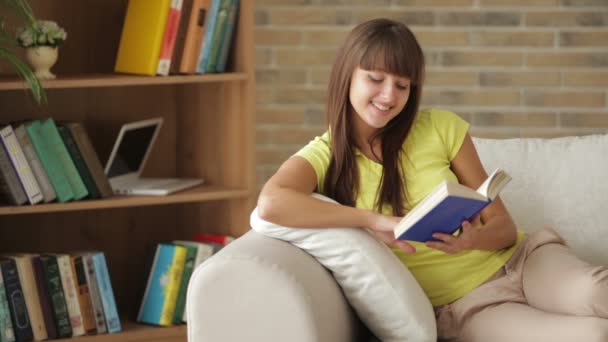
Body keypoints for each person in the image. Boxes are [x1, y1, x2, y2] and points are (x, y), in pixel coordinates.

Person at [256, 18, 608, 341]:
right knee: (592, 335)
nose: (389, 96)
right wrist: (372, 220)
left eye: (402, 85)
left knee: (595, 292)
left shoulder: (440, 127)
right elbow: (271, 203)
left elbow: (502, 226)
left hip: (524, 262)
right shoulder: (325, 155)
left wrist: (473, 240)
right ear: (347, 75)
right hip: (470, 306)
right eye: (375, 79)